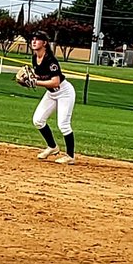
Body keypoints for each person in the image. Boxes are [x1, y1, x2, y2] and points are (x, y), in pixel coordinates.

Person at [29, 30, 77, 164]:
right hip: (51, 93)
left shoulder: (51, 60)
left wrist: (35, 82)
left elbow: (55, 81)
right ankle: (52, 147)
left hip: (64, 92)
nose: (34, 41)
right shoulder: (35, 58)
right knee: (38, 120)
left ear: (44, 43)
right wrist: (31, 78)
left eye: (37, 39)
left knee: (63, 125)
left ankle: (70, 156)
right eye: (33, 39)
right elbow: (41, 75)